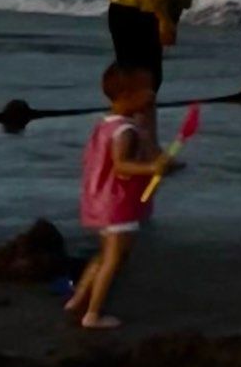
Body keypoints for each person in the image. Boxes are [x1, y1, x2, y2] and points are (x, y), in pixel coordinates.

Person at [65, 63, 177, 331]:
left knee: (104, 255)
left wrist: (155, 155)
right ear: (127, 95)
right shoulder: (125, 131)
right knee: (115, 258)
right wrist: (152, 168)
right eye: (146, 89)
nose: (152, 94)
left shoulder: (106, 124)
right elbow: (121, 165)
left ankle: (78, 300)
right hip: (118, 203)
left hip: (100, 199)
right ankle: (93, 314)